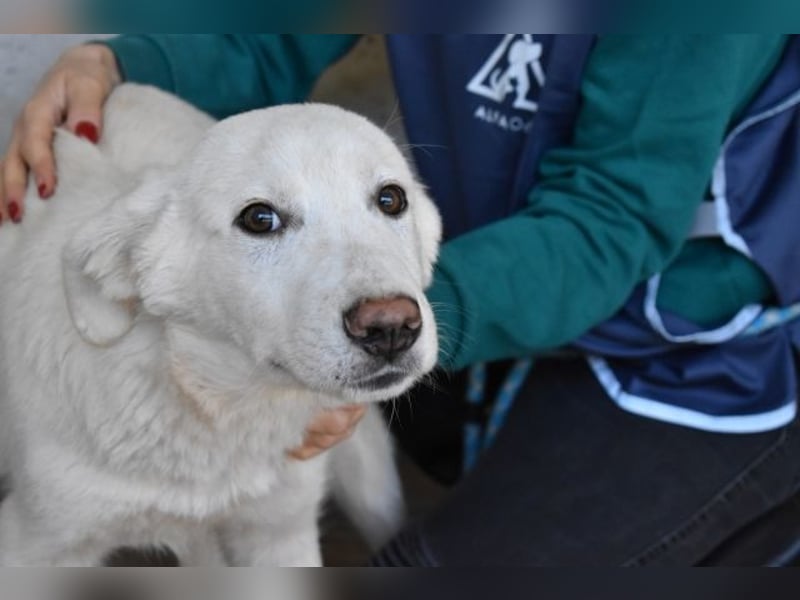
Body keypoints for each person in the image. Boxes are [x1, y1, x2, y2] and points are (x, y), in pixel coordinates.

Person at [2, 34, 800, 566]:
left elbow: (610, 213)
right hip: (498, 283)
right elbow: (277, 32)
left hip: (703, 352)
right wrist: (121, 59)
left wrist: (428, 298)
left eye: (389, 201)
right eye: (260, 220)